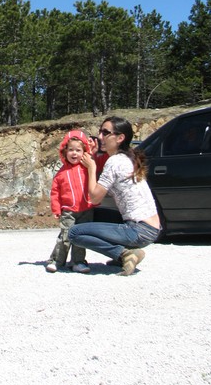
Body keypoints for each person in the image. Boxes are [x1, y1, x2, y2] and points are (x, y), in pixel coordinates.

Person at [69, 116, 162, 276]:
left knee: (74, 232)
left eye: (106, 133)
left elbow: (95, 197)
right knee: (92, 214)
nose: (100, 137)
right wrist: (92, 156)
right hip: (151, 227)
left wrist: (91, 168)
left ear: (120, 138)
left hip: (139, 229)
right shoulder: (126, 158)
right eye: (100, 132)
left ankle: (124, 254)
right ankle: (126, 252)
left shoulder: (115, 162)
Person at [46, 130, 96, 274]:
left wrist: (92, 149)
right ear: (65, 151)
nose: (74, 153)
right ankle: (56, 261)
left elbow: (94, 159)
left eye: (78, 150)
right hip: (68, 211)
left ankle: (78, 262)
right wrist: (56, 209)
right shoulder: (61, 173)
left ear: (84, 152)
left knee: (81, 238)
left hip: (86, 209)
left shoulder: (86, 168)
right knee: (65, 237)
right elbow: (55, 193)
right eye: (71, 150)